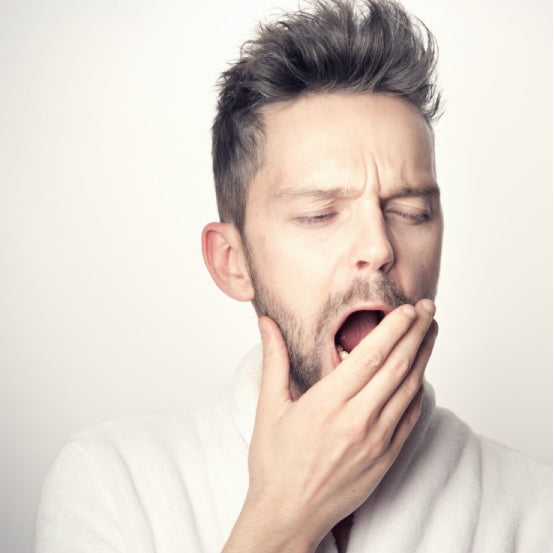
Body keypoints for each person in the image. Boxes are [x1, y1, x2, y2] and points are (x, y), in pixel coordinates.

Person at [34, 1, 551, 552]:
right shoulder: (112, 487)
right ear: (233, 262)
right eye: (319, 214)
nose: (378, 247)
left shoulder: (534, 509)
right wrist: (284, 516)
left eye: (410, 212)